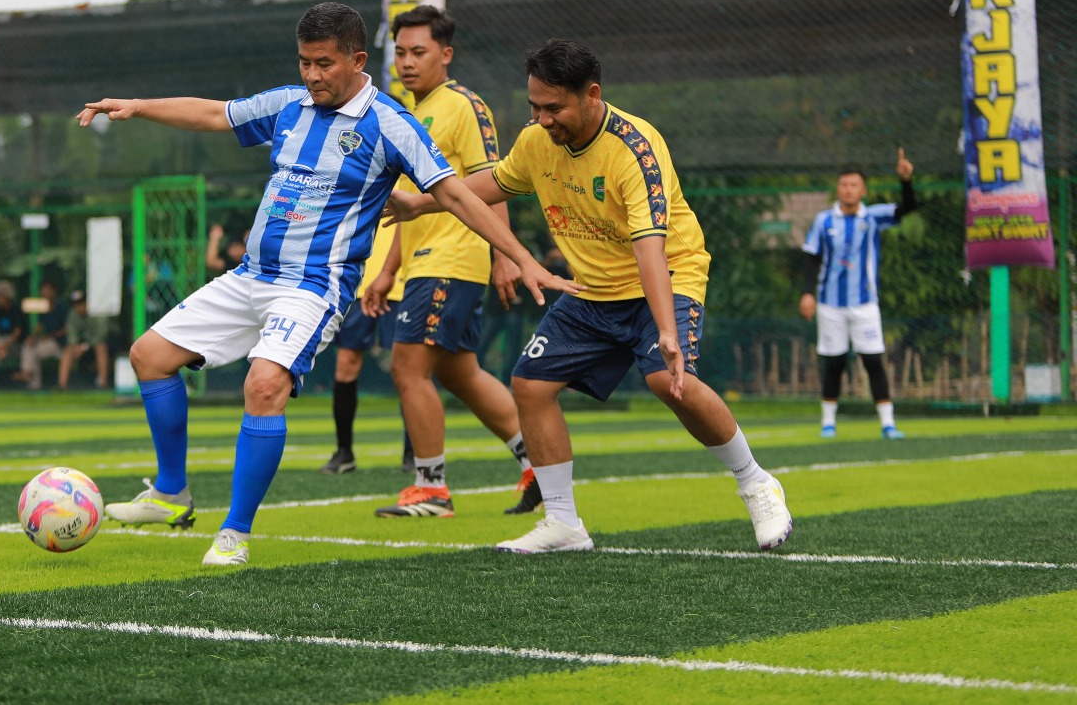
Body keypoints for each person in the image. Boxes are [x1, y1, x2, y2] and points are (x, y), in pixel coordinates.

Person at [77, 1, 578, 568]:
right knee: (149, 356)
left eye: (324, 63)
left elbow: (456, 194)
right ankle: (171, 494)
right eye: (304, 62)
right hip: (251, 276)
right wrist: (138, 107)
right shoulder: (289, 104)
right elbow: (217, 114)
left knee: (264, 385)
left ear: (357, 60)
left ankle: (235, 533)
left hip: (314, 286)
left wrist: (518, 256)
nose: (312, 75)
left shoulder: (390, 123)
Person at [387, 39, 793, 554]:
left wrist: (666, 331)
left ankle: (756, 483)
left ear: (592, 94)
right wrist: (420, 204)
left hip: (666, 275)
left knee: (670, 382)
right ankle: (563, 523)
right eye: (535, 106)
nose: (542, 119)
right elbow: (497, 182)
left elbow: (650, 247)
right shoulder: (536, 141)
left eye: (554, 108)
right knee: (530, 384)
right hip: (593, 288)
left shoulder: (635, 149)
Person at [364, 5, 540, 518]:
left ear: (446, 54)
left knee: (407, 366)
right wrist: (388, 270)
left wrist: (505, 256)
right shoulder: (409, 114)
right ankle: (538, 466)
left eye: (418, 52)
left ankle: (431, 489)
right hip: (424, 261)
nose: (407, 62)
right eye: (400, 53)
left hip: (454, 257)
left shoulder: (464, 105)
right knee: (461, 373)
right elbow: (407, 205)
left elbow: (496, 180)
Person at [800, 150, 917, 440]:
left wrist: (905, 181)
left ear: (863, 190)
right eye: (844, 185)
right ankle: (828, 423)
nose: (848, 189)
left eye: (854, 185)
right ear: (837, 189)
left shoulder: (872, 216)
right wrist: (807, 293)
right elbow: (811, 258)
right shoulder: (824, 221)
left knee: (873, 361)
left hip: (865, 303)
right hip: (830, 304)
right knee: (834, 363)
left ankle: (888, 424)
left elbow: (908, 207)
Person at [319, 219, 409, 475]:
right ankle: (344, 452)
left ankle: (414, 453)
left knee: (409, 369)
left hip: (405, 281)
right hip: (358, 283)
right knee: (346, 364)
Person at [16, 279, 68, 390]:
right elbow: (39, 326)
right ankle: (32, 382)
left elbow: (67, 329)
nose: (45, 293)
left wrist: (49, 337)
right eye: (43, 290)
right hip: (46, 341)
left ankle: (28, 374)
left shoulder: (62, 307)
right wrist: (33, 337)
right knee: (28, 346)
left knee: (34, 352)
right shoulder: (42, 308)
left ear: (54, 292)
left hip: (60, 342)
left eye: (47, 290)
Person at [57, 289, 113, 389]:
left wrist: (84, 347)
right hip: (84, 345)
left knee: (101, 347)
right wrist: (76, 346)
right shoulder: (73, 315)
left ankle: (103, 384)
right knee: (68, 349)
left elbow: (102, 335)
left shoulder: (98, 312)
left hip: (108, 342)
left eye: (81, 303)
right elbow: (72, 336)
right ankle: (62, 386)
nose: (79, 307)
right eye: (76, 304)